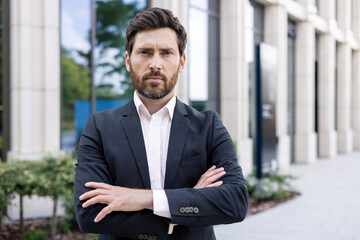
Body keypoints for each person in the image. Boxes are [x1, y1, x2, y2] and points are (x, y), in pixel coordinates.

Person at [74, 7, 248, 240]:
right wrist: (184, 205)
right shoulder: (99, 127)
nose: (155, 63)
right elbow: (89, 213)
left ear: (181, 61)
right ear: (128, 60)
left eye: (166, 52)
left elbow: (235, 202)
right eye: (145, 52)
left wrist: (141, 199)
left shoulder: (209, 126)